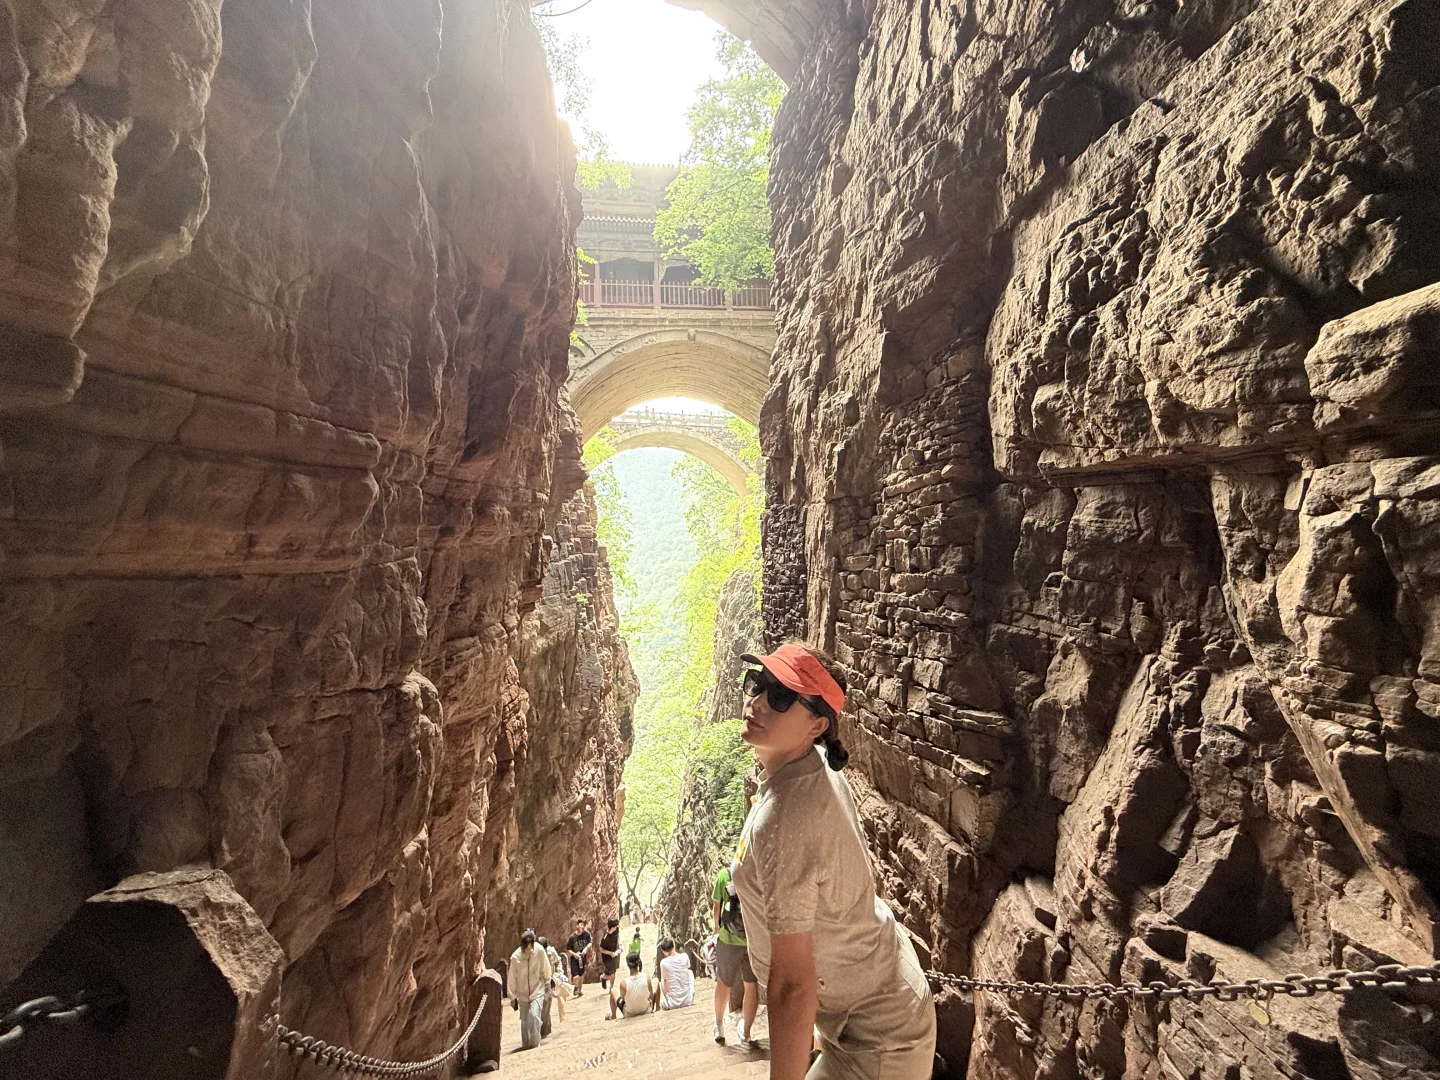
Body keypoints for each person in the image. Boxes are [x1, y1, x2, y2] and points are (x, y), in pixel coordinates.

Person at [731, 642, 936, 1080]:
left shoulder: (787, 815)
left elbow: (792, 986)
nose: (759, 701)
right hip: (862, 1011)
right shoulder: (808, 763)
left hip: (880, 1037)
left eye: (782, 696)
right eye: (759, 684)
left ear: (818, 724)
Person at [712, 862, 759, 1048]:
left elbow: (717, 908)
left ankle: (718, 1025)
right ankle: (746, 1031)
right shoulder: (755, 873)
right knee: (751, 984)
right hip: (752, 941)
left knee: (724, 981)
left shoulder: (724, 875)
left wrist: (716, 931)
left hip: (728, 940)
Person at [508, 928, 553, 1050]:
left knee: (534, 1015)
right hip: (522, 994)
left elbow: (545, 967)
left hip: (537, 990)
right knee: (525, 1020)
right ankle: (526, 1044)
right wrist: (512, 996)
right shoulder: (515, 958)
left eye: (530, 948)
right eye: (526, 948)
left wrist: (548, 982)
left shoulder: (539, 951)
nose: (529, 951)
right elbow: (512, 977)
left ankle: (535, 1043)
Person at [606, 953, 660, 1020]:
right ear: (639, 962)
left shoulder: (623, 982)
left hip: (629, 1013)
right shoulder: (646, 977)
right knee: (656, 980)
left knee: (613, 990)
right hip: (646, 1010)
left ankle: (613, 1016)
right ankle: (658, 1008)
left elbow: (623, 999)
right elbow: (651, 995)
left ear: (627, 964)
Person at [657, 938, 695, 1009]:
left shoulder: (663, 963)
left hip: (672, 1003)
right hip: (688, 1000)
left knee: (663, 979)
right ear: (674, 945)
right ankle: (690, 994)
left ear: (663, 951)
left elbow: (664, 982)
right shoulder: (684, 956)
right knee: (690, 972)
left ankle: (668, 1001)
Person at [540, 936, 568, 1025]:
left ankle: (545, 1028)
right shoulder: (535, 953)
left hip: (549, 981)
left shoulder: (551, 952)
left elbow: (558, 962)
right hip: (538, 982)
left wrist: (557, 975)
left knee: (546, 1005)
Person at [565, 918, 593, 996]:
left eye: (583, 926)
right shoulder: (572, 937)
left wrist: (586, 949)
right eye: (581, 925)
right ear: (577, 925)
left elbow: (590, 942)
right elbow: (568, 949)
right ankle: (576, 987)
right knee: (576, 976)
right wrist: (574, 954)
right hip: (575, 958)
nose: (582, 927)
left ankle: (579, 991)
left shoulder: (586, 934)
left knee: (581, 975)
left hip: (583, 958)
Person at [599, 917, 622, 989]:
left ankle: (611, 987)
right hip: (607, 956)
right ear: (612, 927)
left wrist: (621, 945)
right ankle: (603, 978)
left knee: (614, 972)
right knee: (611, 973)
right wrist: (610, 953)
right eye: (616, 925)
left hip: (615, 953)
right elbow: (601, 949)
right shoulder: (605, 937)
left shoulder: (616, 930)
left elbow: (618, 937)